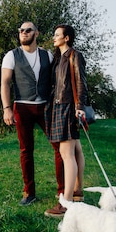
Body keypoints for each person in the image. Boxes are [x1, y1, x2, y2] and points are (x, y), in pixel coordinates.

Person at [1, 22, 65, 211]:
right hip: (22, 106)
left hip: (45, 106)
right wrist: (7, 108)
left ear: (36, 33)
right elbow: (5, 83)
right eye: (21, 30)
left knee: (59, 147)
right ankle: (29, 192)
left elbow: (57, 80)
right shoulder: (12, 55)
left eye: (28, 30)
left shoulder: (47, 55)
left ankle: (62, 192)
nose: (23, 33)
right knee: (26, 150)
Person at [44, 24, 87, 218]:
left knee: (66, 152)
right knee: (76, 148)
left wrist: (79, 107)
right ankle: (77, 191)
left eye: (57, 35)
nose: (54, 37)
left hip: (68, 106)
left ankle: (67, 202)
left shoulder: (74, 55)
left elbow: (81, 81)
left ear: (67, 38)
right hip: (59, 105)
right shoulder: (59, 58)